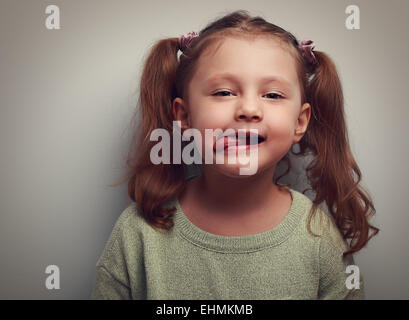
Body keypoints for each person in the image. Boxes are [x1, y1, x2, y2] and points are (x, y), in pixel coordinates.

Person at [91, 10, 379, 300]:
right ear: (185, 117)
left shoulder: (318, 238)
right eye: (224, 92)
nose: (249, 109)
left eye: (273, 95)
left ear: (300, 122)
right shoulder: (138, 233)